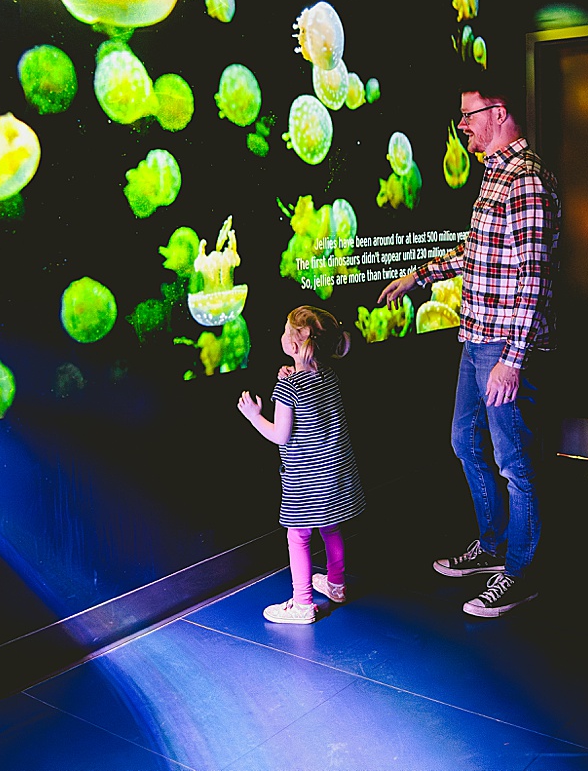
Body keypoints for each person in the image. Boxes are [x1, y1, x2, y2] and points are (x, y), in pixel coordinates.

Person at [378, 79, 561, 618]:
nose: (462, 125)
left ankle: (522, 573)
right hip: (475, 337)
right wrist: (421, 275)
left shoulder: (525, 181)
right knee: (465, 441)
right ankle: (493, 544)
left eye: (468, 115)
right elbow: (478, 254)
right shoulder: (495, 176)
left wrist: (513, 358)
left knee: (515, 462)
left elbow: (535, 276)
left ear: (498, 113)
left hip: (504, 346)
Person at [238, 305, 365, 625]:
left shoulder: (287, 388)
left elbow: (280, 435)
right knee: (332, 526)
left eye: (285, 330)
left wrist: (255, 416)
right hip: (338, 476)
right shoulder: (328, 375)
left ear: (295, 344)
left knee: (298, 536)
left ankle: (303, 602)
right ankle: (336, 585)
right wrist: (293, 373)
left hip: (307, 481)